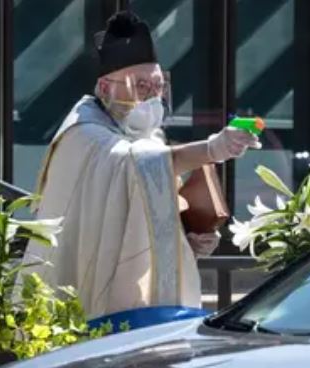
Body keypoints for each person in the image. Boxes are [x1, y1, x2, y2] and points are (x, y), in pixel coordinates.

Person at [22, 11, 260, 320]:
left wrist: (187, 240)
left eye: (158, 86)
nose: (153, 96)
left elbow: (144, 209)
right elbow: (138, 166)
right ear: (105, 88)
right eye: (141, 86)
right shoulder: (82, 134)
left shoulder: (146, 136)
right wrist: (212, 149)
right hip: (83, 287)